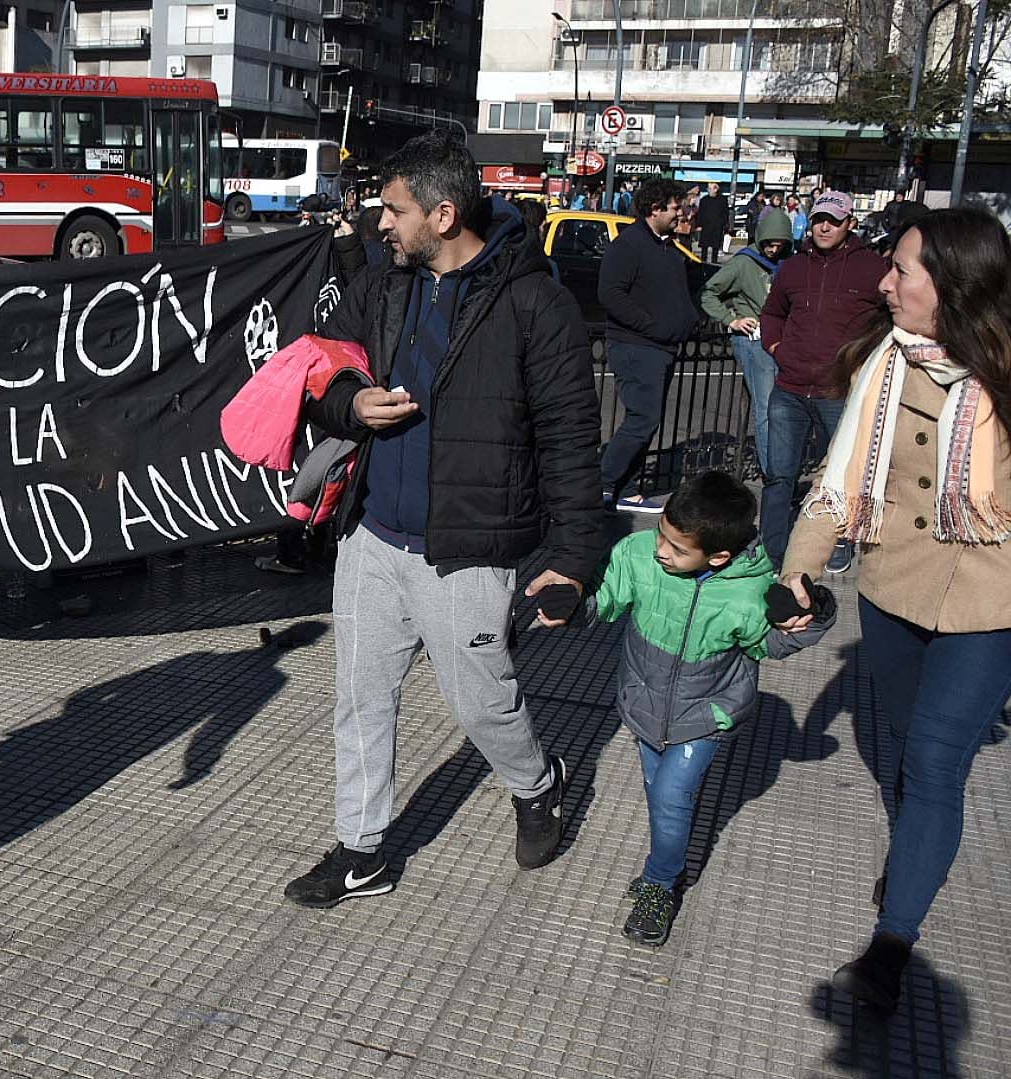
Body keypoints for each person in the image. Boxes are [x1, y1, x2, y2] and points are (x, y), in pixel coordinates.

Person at [281, 130, 599, 908]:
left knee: (482, 701)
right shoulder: (387, 285)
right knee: (361, 699)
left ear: (445, 213)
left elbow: (570, 440)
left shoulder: (537, 304)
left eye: (393, 210)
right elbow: (320, 370)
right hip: (370, 535)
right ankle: (362, 851)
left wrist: (576, 557)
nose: (379, 224)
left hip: (467, 546)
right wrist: (349, 403)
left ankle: (537, 782)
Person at [776, 209, 1011, 1017]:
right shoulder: (887, 358)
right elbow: (841, 481)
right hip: (891, 591)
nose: (886, 282)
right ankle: (918, 849)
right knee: (909, 748)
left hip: (989, 600)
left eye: (904, 270)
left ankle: (892, 941)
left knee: (936, 764)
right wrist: (799, 570)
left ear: (954, 285)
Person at [592, 472, 836, 947]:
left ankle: (659, 885)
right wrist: (573, 601)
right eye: (662, 534)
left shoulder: (750, 592)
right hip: (644, 705)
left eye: (678, 549)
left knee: (670, 798)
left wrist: (814, 614)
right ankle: (667, 857)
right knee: (659, 794)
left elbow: (773, 645)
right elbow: (606, 597)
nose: (663, 551)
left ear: (719, 556)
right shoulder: (638, 556)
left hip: (705, 716)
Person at [757, 190, 887, 570]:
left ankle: (840, 541)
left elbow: (891, 317)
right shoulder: (794, 268)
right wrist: (777, 347)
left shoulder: (872, 270)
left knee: (840, 474)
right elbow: (772, 313)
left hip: (839, 391)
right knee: (779, 475)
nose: (824, 226)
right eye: (817, 219)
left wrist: (865, 361)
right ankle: (771, 548)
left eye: (832, 219)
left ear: (850, 224)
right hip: (790, 388)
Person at [598, 176, 701, 513]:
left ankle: (626, 488)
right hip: (638, 346)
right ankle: (601, 482)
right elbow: (610, 294)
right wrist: (652, 327)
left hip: (660, 347)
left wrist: (686, 322)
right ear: (655, 209)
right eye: (675, 207)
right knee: (642, 418)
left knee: (648, 420)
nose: (680, 213)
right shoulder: (629, 245)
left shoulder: (666, 246)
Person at [699, 206, 793, 476]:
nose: (774, 250)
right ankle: (772, 471)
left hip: (784, 340)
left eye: (780, 244)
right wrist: (731, 320)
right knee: (766, 408)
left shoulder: (790, 262)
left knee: (786, 409)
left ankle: (783, 466)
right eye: (769, 244)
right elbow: (708, 293)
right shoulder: (744, 262)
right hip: (755, 340)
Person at [695, 181, 729, 262]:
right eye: (708, 188)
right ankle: (703, 263)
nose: (708, 190)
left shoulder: (722, 200)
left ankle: (714, 262)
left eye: (710, 188)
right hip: (706, 226)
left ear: (716, 189)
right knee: (704, 247)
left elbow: (725, 213)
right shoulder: (704, 200)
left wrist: (724, 224)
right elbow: (700, 213)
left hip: (717, 227)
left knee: (715, 247)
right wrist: (699, 225)